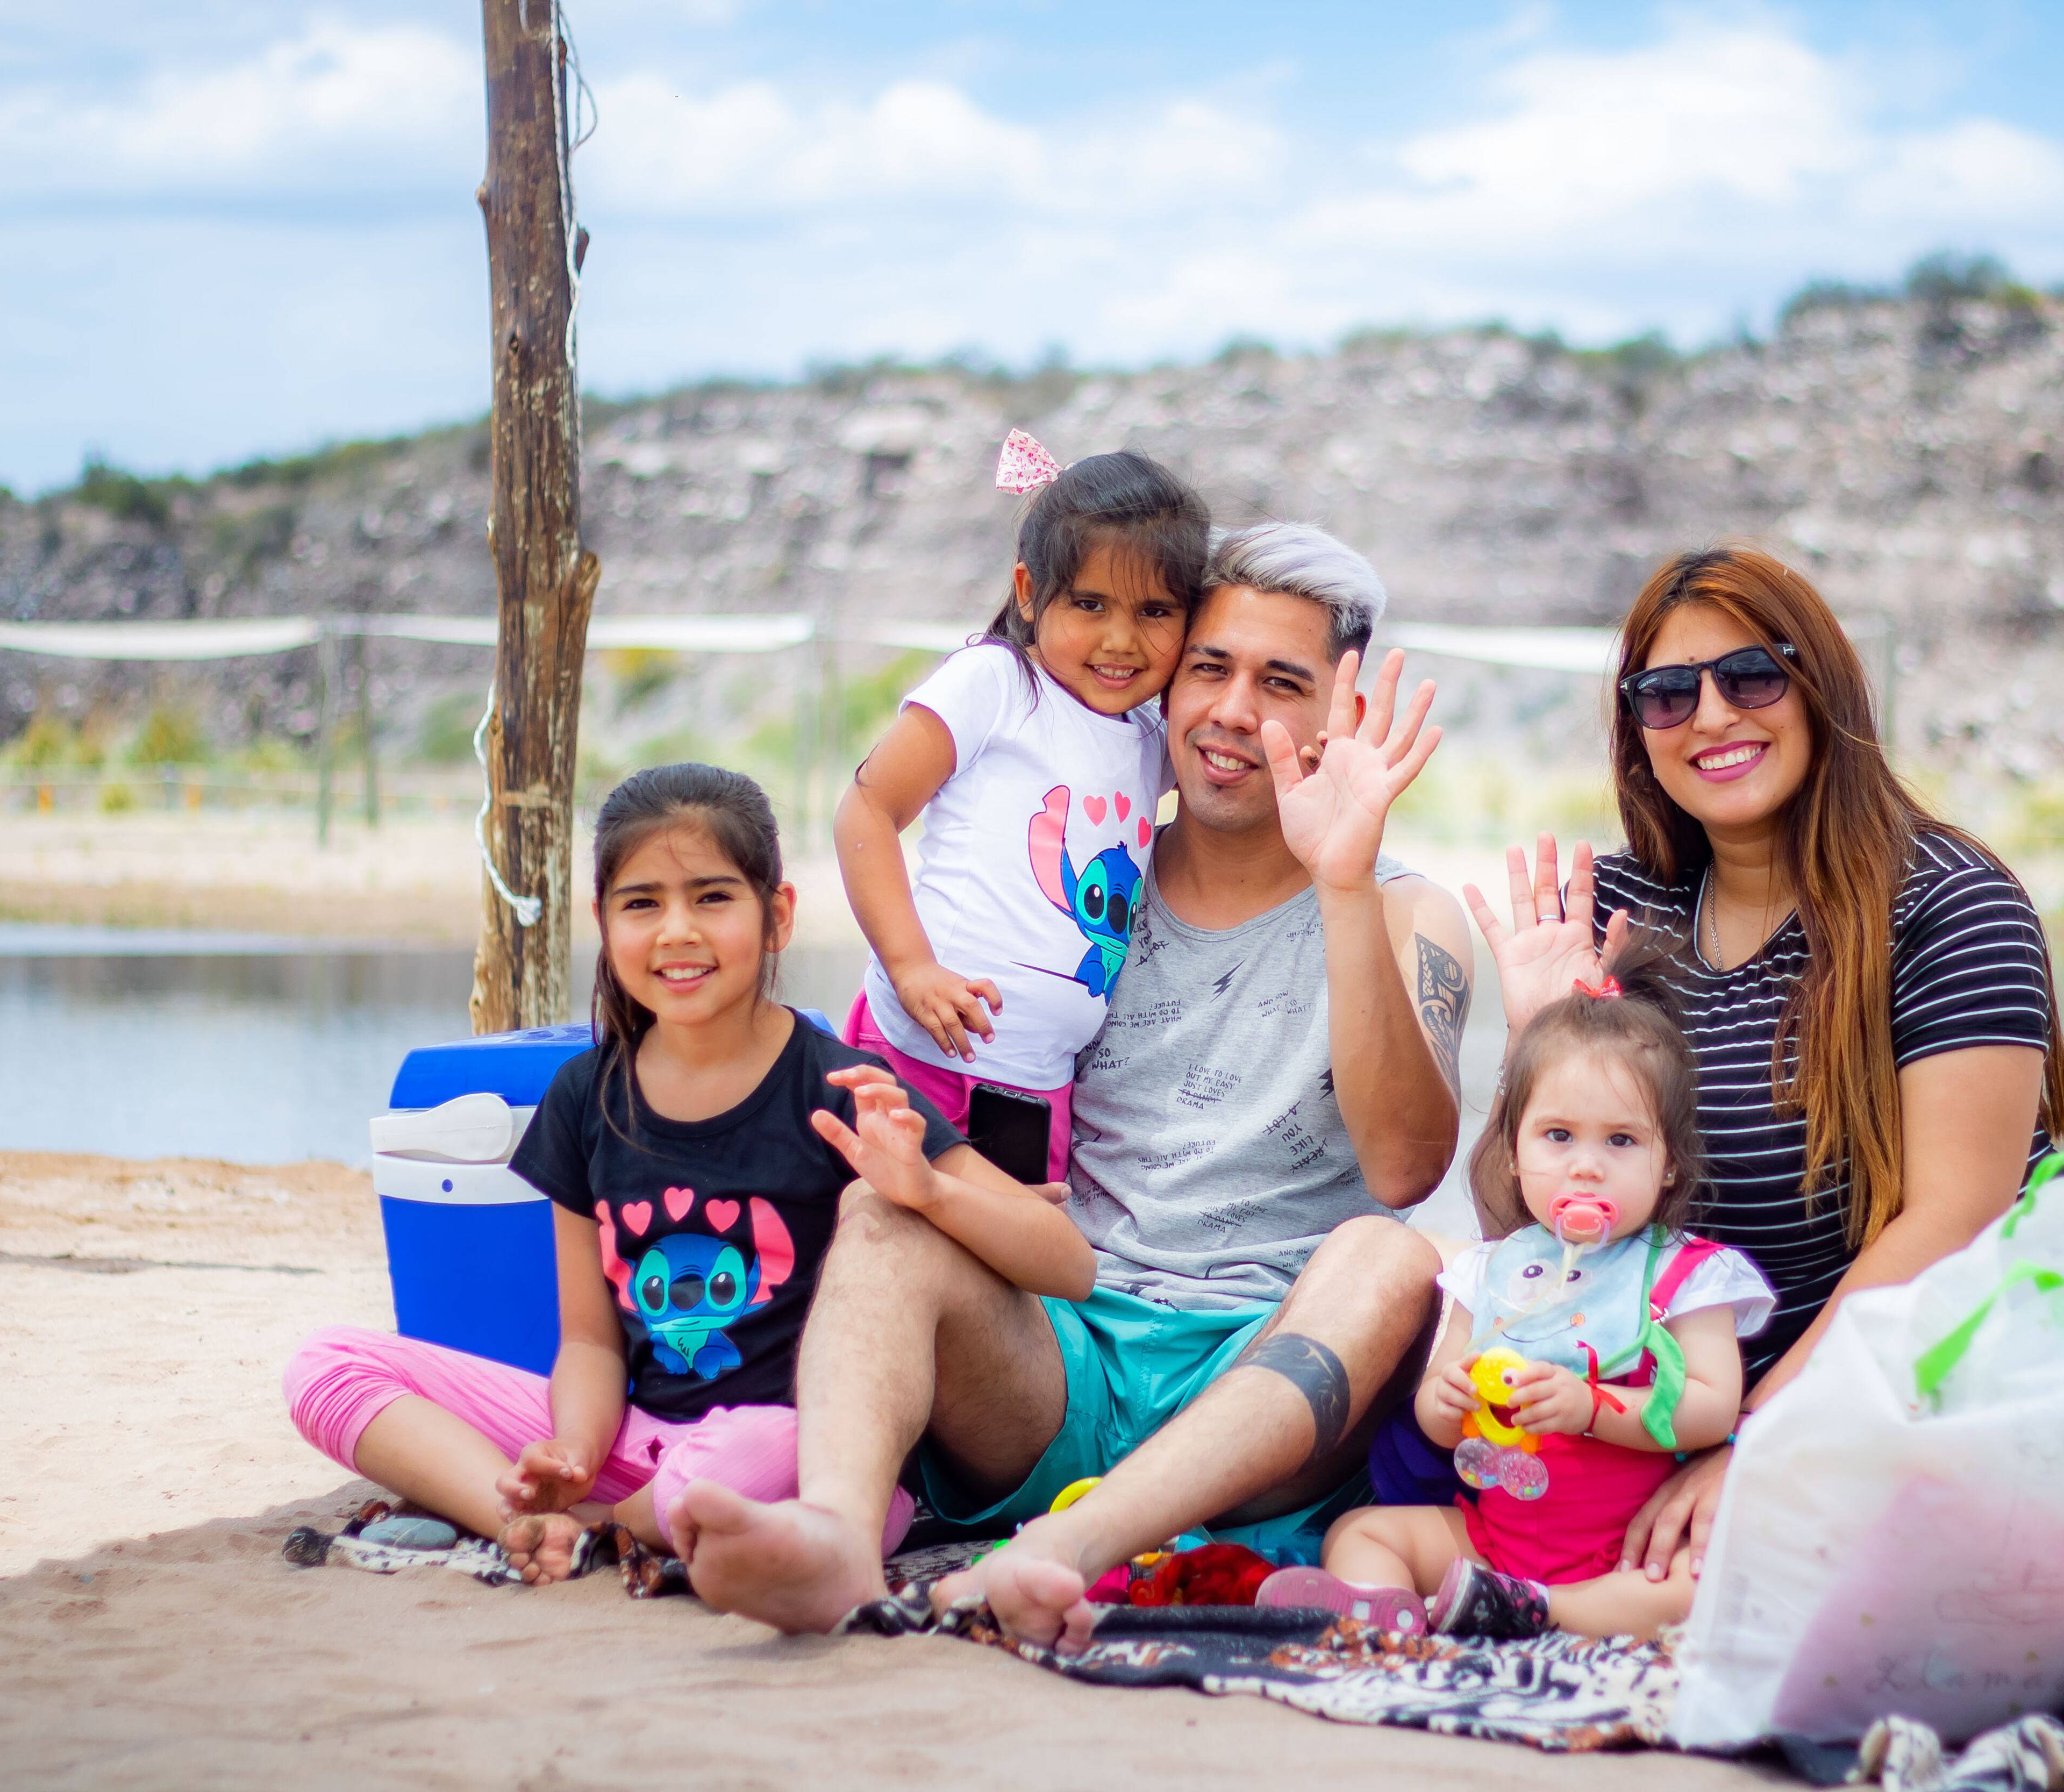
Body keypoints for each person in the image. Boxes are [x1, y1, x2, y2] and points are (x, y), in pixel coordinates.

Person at [670, 523, 1476, 1646]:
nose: (1234, 709)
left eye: (1280, 681)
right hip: (1069, 1351)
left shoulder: (1405, 909)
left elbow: (1404, 1165)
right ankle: (834, 1542)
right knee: (881, 1213)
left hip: (1268, 1389)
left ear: (1339, 708)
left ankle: (1063, 1548)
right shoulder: (1079, 881)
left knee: (1393, 1253)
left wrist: (1339, 882)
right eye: (1209, 667)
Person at [283, 765, 1092, 1583]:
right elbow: (593, 1341)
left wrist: (927, 1187)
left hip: (793, 1454)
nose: (676, 931)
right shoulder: (583, 1096)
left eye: (712, 897)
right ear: (603, 922)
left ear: (776, 916)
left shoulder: (844, 1087)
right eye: (643, 903)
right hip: (637, 1440)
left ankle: (601, 1527)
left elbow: (1069, 1261)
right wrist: (575, 1446)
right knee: (327, 1363)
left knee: (749, 1456)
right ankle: (529, 1519)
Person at [1466, 544, 2064, 1588]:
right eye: (1666, 694)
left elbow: (1956, 1218)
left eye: (1750, 675)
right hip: (1643, 1416)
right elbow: (1535, 1255)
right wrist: (1539, 1047)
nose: (1710, 716)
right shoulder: (1622, 911)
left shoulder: (1949, 905)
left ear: (1820, 685)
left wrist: (1753, 1438)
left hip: (1876, 1399)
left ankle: (1537, 1615)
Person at [1259, 944, 1772, 1639]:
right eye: (1558, 1136)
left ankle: (1537, 1610)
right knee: (1362, 1531)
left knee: (1701, 1580)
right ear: (1513, 1151)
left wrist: (1591, 1406)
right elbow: (1440, 1409)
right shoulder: (1492, 1270)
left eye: (1621, 1141)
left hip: (1619, 1548)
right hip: (1492, 1533)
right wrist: (1447, 1400)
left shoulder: (1689, 1275)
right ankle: (1392, 1625)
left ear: (1670, 1164)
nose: (1586, 1166)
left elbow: (1712, 1408)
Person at [836, 440, 1209, 1183]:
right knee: (881, 1227)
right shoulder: (996, 684)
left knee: (1009, 1268)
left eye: (1156, 611)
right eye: (1090, 603)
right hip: (917, 1050)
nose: (1120, 640)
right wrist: (912, 967)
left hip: (1040, 1085)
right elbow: (868, 810)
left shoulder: (1153, 740)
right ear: (1031, 592)